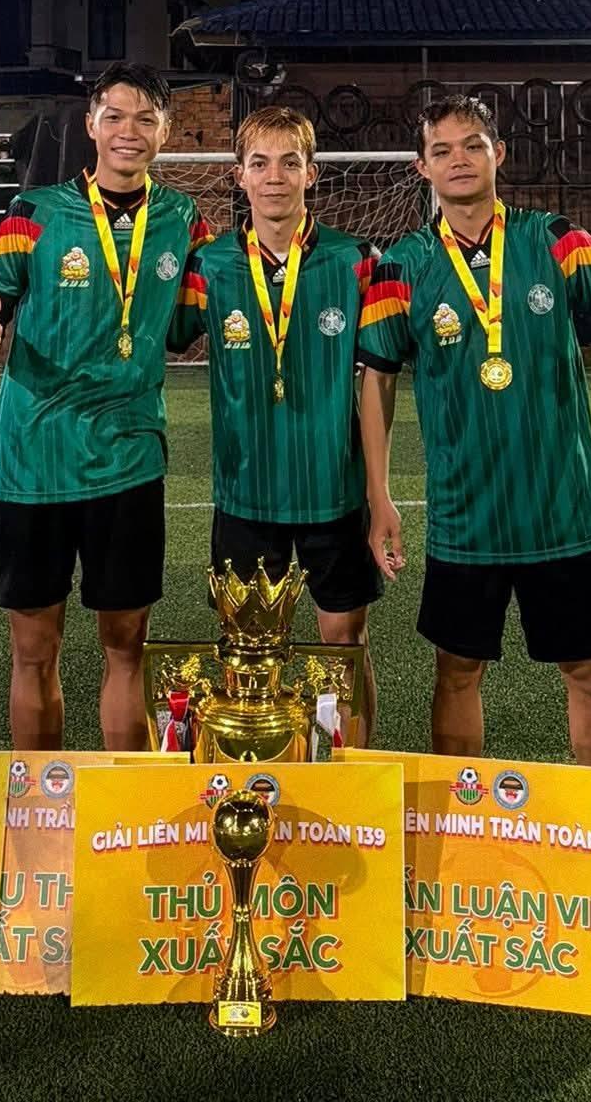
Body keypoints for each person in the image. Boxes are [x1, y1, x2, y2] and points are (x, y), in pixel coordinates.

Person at [356, 93, 591, 765]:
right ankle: (462, 818)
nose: (459, 160)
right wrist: (379, 497)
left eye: (473, 145)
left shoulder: (555, 239)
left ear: (498, 153)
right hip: (465, 516)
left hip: (561, 510)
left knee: (588, 674)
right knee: (457, 672)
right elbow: (377, 379)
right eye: (442, 150)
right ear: (421, 168)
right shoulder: (402, 266)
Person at [0, 60, 209, 750]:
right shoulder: (33, 213)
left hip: (128, 457)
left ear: (166, 132)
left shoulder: (185, 221)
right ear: (92, 125)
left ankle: (119, 807)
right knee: (35, 651)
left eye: (146, 118)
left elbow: (188, 325)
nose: (130, 130)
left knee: (127, 647)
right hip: (33, 459)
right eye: (116, 116)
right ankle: (42, 802)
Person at [170, 105, 383, 742]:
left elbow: (386, 366)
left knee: (343, 645)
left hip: (332, 491)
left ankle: (352, 776)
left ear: (311, 173)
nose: (274, 177)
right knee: (245, 650)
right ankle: (252, 772)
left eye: (290, 162)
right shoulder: (210, 265)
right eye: (259, 163)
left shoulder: (356, 261)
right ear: (238, 175)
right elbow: (163, 334)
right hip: (246, 491)